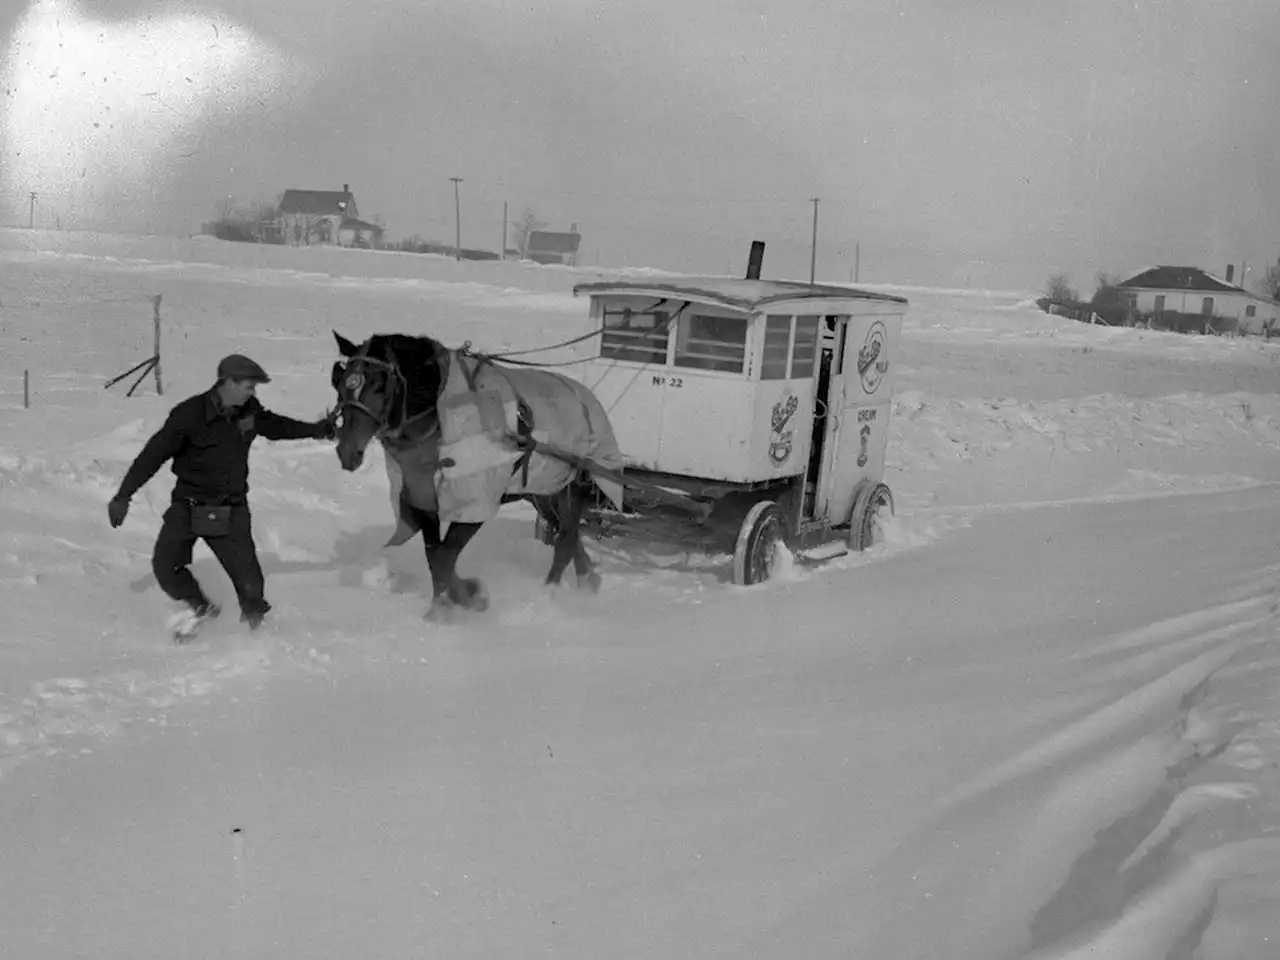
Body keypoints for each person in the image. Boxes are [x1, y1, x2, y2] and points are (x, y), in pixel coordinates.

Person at [107, 354, 336, 638]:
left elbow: (276, 427)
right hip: (188, 507)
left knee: (250, 585)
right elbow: (153, 455)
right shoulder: (189, 415)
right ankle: (201, 608)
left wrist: (315, 430)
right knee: (166, 568)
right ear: (228, 382)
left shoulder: (248, 412)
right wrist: (123, 496)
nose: (253, 393)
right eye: (249, 386)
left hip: (231, 510)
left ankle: (256, 638)